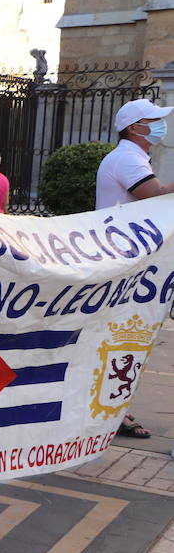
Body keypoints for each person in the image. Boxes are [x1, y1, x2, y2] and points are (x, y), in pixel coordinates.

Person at [97, 98, 174, 438]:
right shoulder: (128, 158)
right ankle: (114, 412)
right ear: (134, 128)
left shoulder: (133, 156)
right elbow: (155, 193)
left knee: (122, 340)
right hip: (122, 264)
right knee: (122, 340)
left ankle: (115, 409)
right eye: (153, 120)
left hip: (128, 263)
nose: (160, 126)